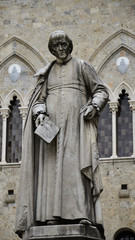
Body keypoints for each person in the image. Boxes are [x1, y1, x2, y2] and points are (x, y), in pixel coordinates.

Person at [15, 30, 109, 239]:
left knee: (76, 167)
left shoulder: (82, 66)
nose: (61, 49)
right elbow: (39, 99)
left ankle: (82, 214)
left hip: (77, 127)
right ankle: (50, 215)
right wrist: (39, 112)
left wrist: (94, 104)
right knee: (51, 171)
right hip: (52, 134)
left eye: (64, 45)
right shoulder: (47, 73)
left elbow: (101, 90)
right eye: (56, 46)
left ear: (69, 45)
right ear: (52, 48)